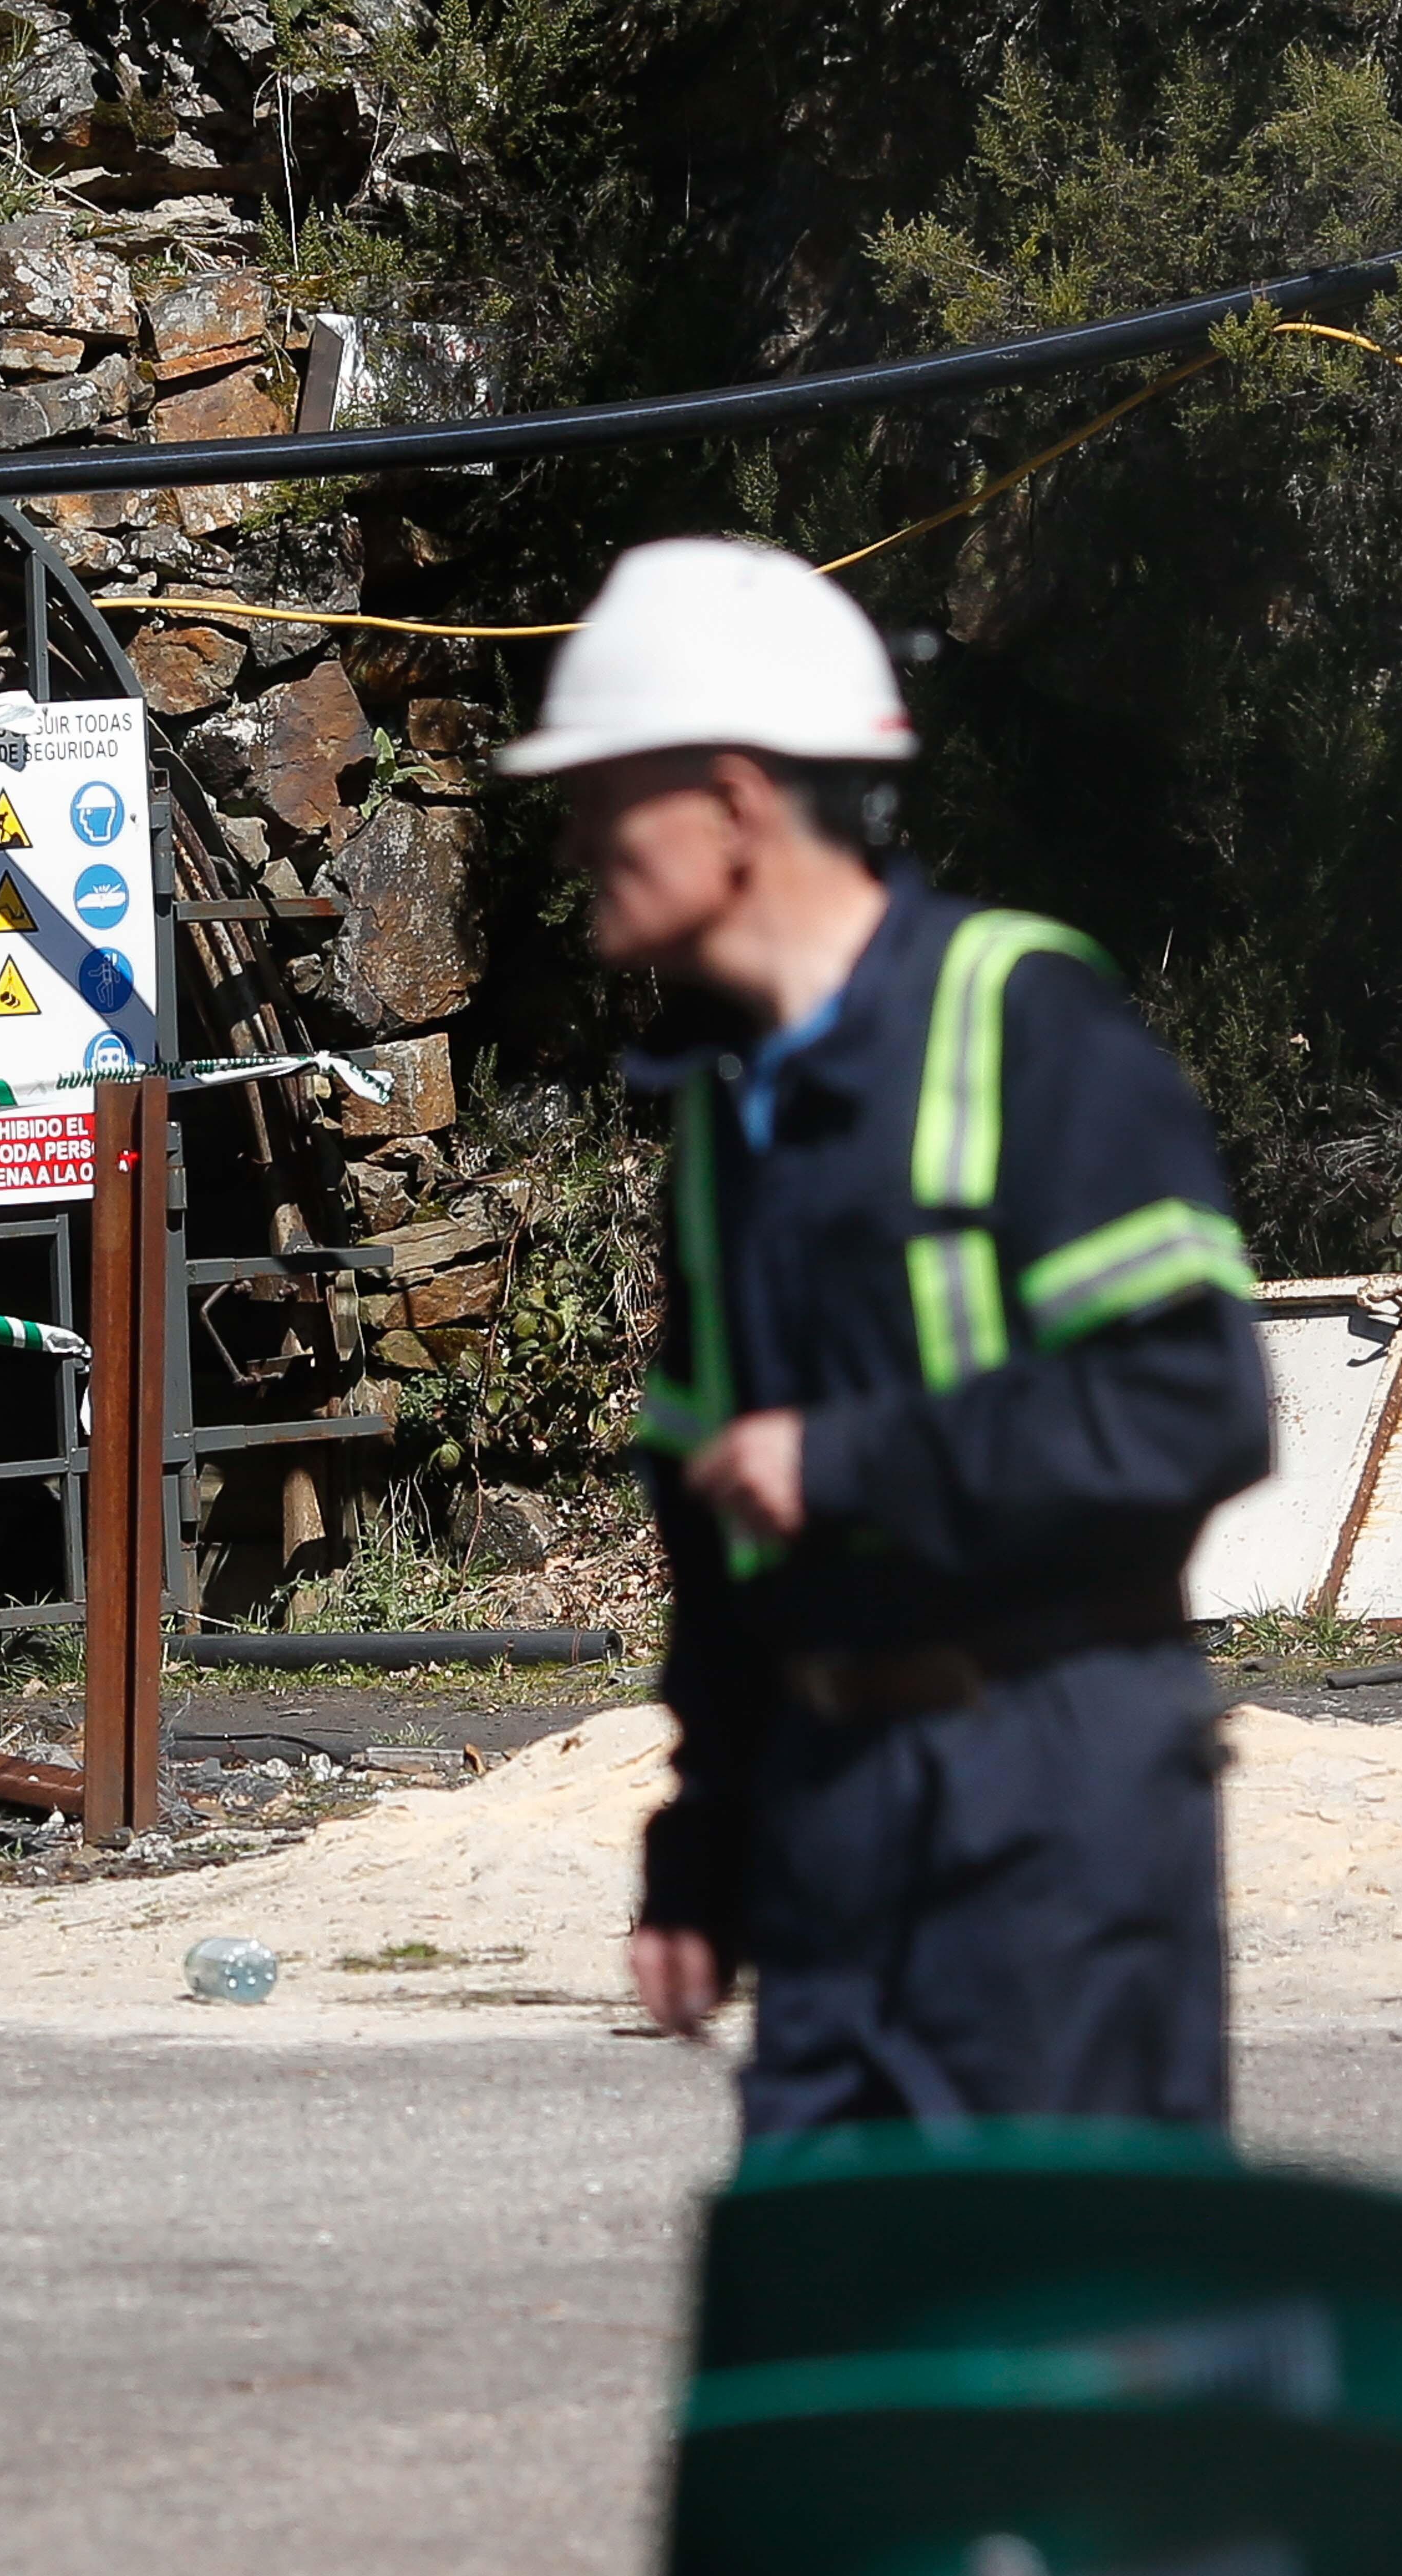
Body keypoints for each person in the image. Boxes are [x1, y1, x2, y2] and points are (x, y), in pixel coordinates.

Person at [502, 538, 1273, 2132]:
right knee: (841, 2334)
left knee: (1050, 2355)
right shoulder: (728, 1116)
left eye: (607, 790)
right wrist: (702, 1843)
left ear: (732, 800)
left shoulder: (1024, 1024)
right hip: (833, 1815)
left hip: (1054, 1813)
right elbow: (713, 1540)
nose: (575, 831)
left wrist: (851, 1462)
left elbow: (1194, 1406)